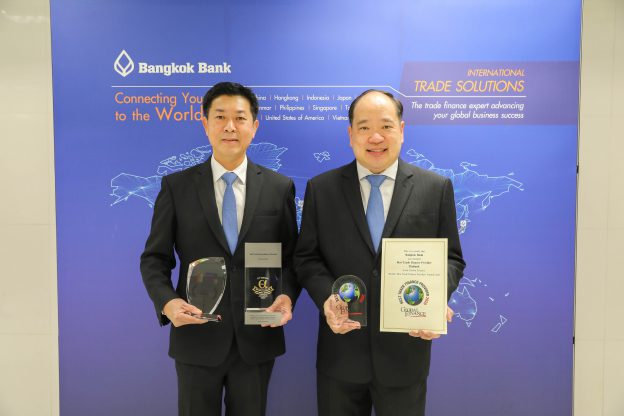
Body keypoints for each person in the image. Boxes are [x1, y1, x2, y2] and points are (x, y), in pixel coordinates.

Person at [294, 90, 466, 416]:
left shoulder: (435, 188)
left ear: (402, 129)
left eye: (386, 126)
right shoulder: (322, 189)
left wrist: (433, 300)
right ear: (350, 134)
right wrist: (327, 298)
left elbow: (452, 258)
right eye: (364, 127)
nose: (375, 137)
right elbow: (307, 258)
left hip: (405, 355)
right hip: (340, 355)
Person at [140, 82, 299, 416]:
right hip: (196, 337)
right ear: (205, 123)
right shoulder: (177, 187)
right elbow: (154, 259)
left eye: (240, 118)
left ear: (254, 126)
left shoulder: (279, 187)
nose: (230, 126)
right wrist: (167, 303)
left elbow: (291, 258)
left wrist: (286, 295)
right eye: (220, 117)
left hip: (257, 337)